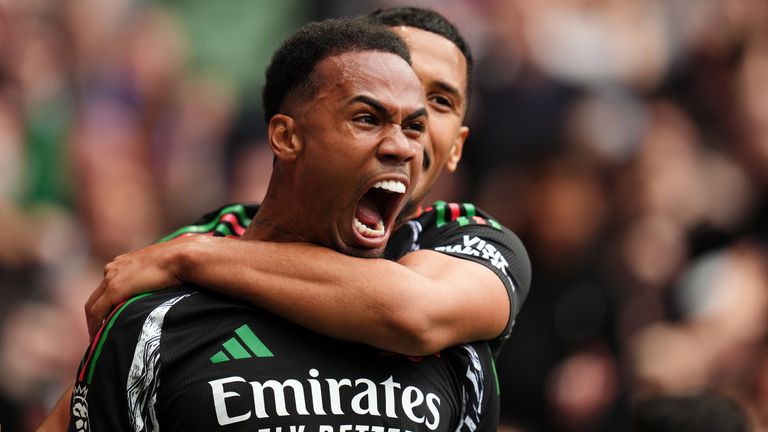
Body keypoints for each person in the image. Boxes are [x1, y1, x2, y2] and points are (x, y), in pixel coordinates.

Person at [40, 17, 509, 431]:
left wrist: (191, 255)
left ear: (457, 145)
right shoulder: (163, 316)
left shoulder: (462, 258)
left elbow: (415, 312)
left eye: (421, 119)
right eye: (368, 118)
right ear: (286, 136)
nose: (407, 146)